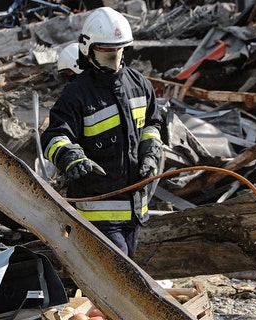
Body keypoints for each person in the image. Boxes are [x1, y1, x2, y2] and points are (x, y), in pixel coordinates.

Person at [40, 7, 163, 259]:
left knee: (127, 272)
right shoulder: (77, 94)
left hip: (135, 207)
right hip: (97, 211)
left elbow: (153, 124)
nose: (112, 55)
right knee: (119, 275)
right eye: (105, 49)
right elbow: (54, 136)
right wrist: (70, 157)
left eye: (117, 49)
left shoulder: (140, 85)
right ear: (88, 49)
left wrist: (150, 153)